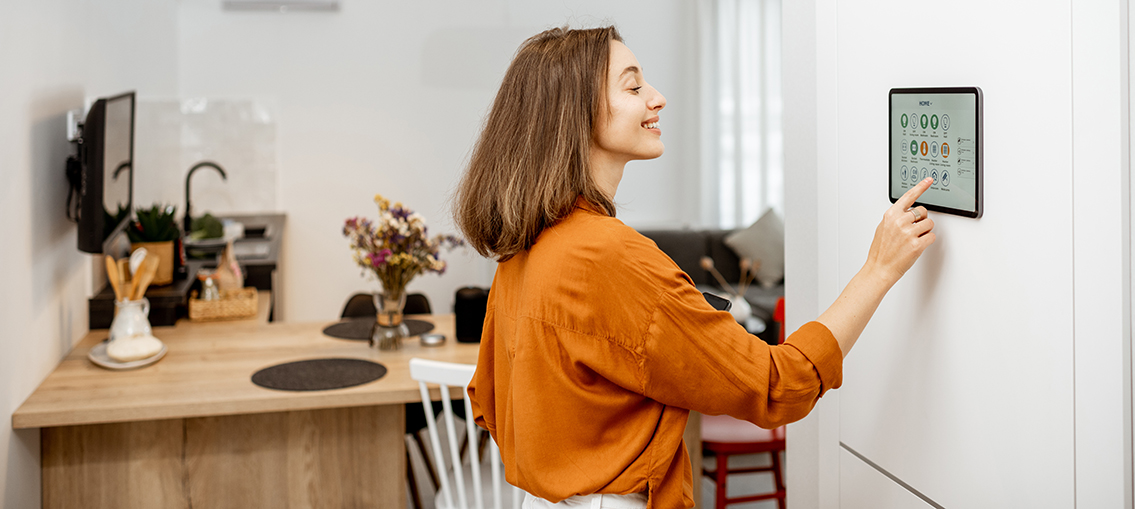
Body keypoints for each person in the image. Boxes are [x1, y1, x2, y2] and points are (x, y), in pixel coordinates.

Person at [454, 26, 935, 509]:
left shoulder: (524, 247)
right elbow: (777, 385)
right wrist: (878, 269)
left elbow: (489, 402)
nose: (657, 98)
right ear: (574, 113)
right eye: (634, 85)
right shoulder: (609, 255)